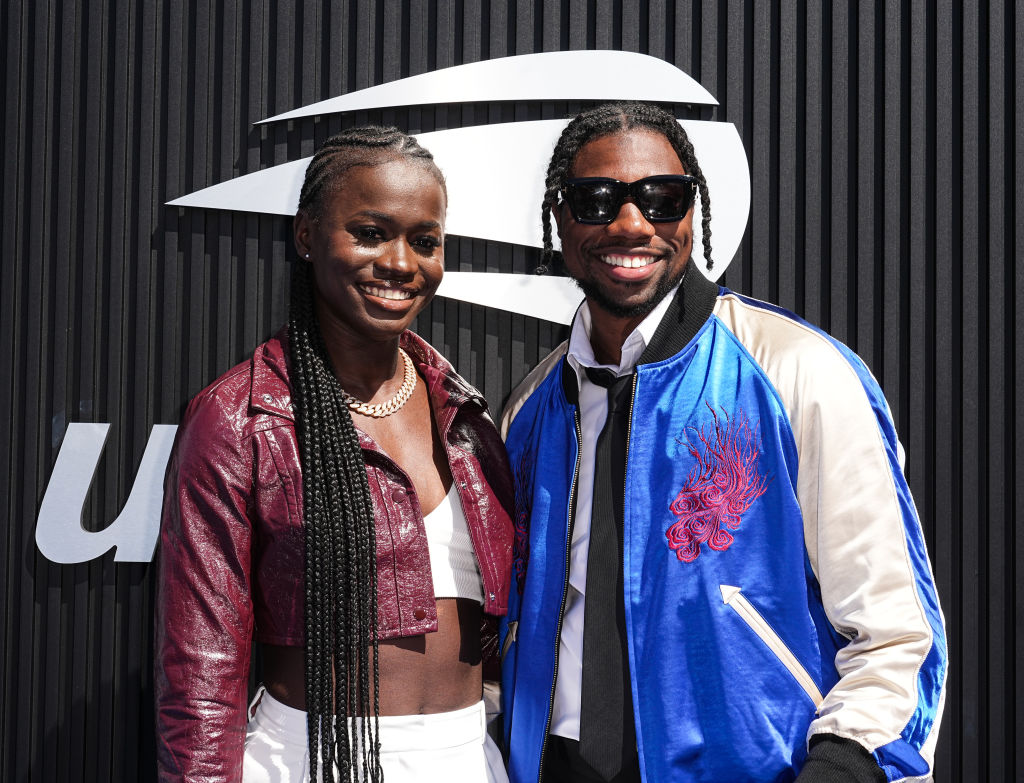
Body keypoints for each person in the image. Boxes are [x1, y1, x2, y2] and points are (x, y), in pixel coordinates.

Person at [498, 102, 946, 783]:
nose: (630, 223)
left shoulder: (798, 370)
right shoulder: (529, 410)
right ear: (559, 219)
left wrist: (845, 765)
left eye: (660, 198)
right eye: (596, 200)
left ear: (690, 213)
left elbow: (895, 630)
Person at [155, 127, 513, 782]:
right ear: (307, 235)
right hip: (312, 758)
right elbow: (201, 674)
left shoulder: (464, 415)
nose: (402, 262)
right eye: (371, 232)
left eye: (425, 241)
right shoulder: (241, 417)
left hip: (468, 757)